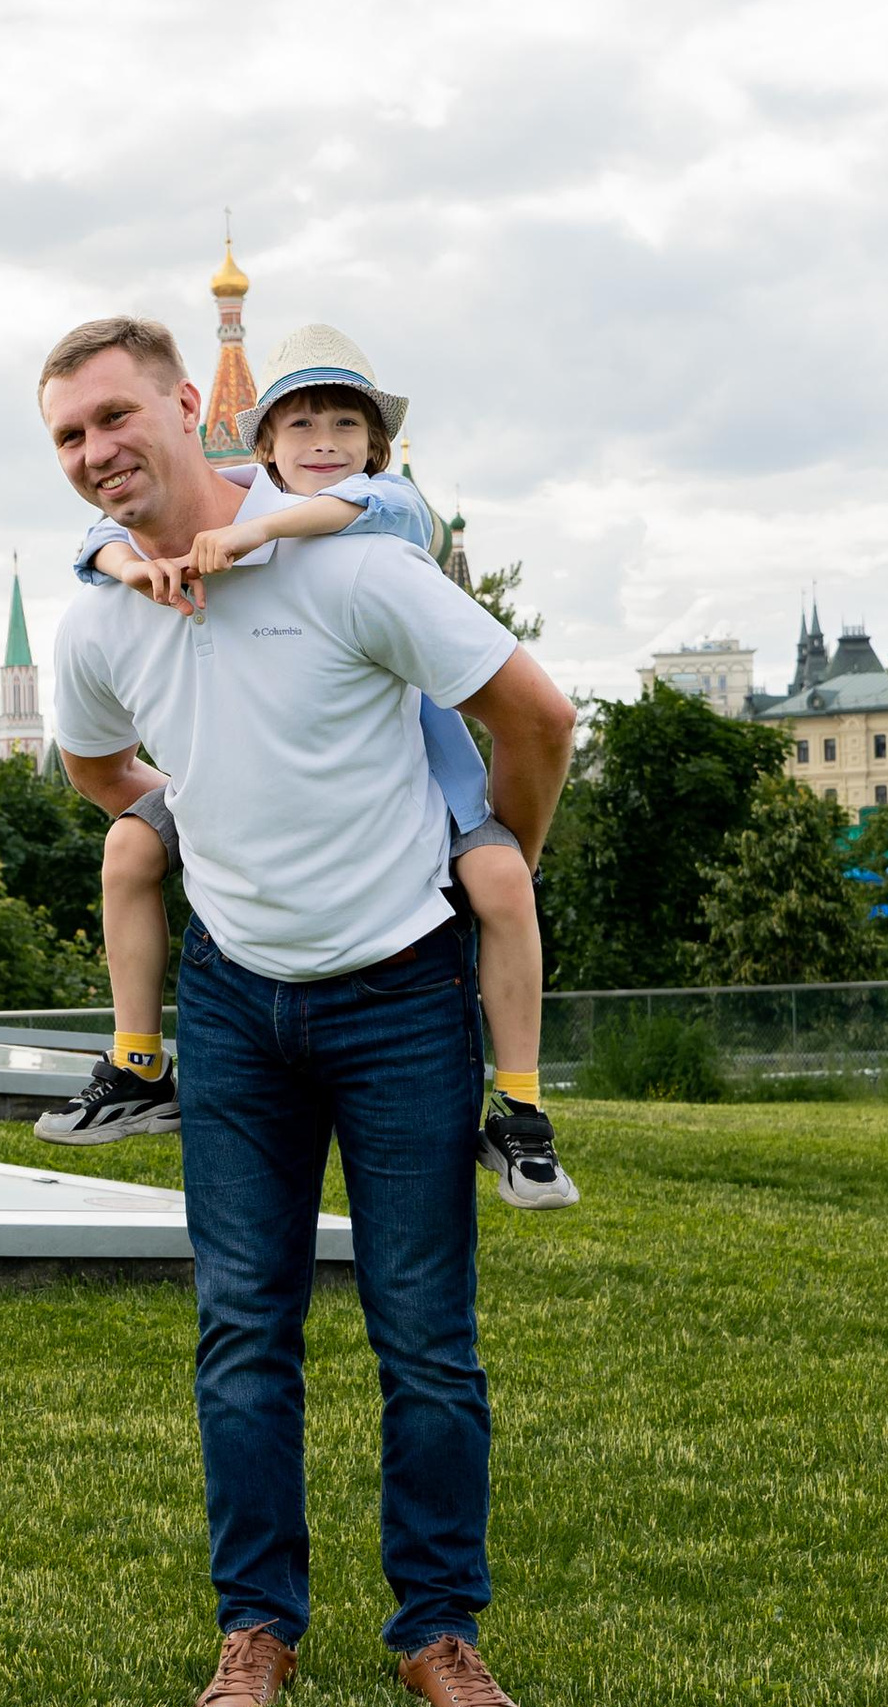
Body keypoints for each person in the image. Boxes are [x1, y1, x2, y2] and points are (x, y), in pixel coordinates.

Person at [37, 314, 576, 1707]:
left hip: (402, 1000)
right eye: (68, 439)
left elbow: (539, 714)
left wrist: (503, 854)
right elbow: (99, 762)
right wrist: (191, 830)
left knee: (427, 1344)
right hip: (227, 1010)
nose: (96, 454)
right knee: (241, 1339)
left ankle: (439, 1636)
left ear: (179, 407)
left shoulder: (350, 565)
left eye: (111, 417)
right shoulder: (100, 616)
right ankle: (256, 1635)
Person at [40, 321, 576, 1213]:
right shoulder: (115, 587)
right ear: (263, 446)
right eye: (300, 428)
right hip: (235, 978)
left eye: (345, 427)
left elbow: (541, 716)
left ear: (380, 445)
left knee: (502, 878)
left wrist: (250, 537)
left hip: (414, 842)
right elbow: (94, 553)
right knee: (128, 853)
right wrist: (129, 569)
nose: (324, 445)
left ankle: (519, 1105)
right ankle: (137, 1060)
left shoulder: (384, 515)